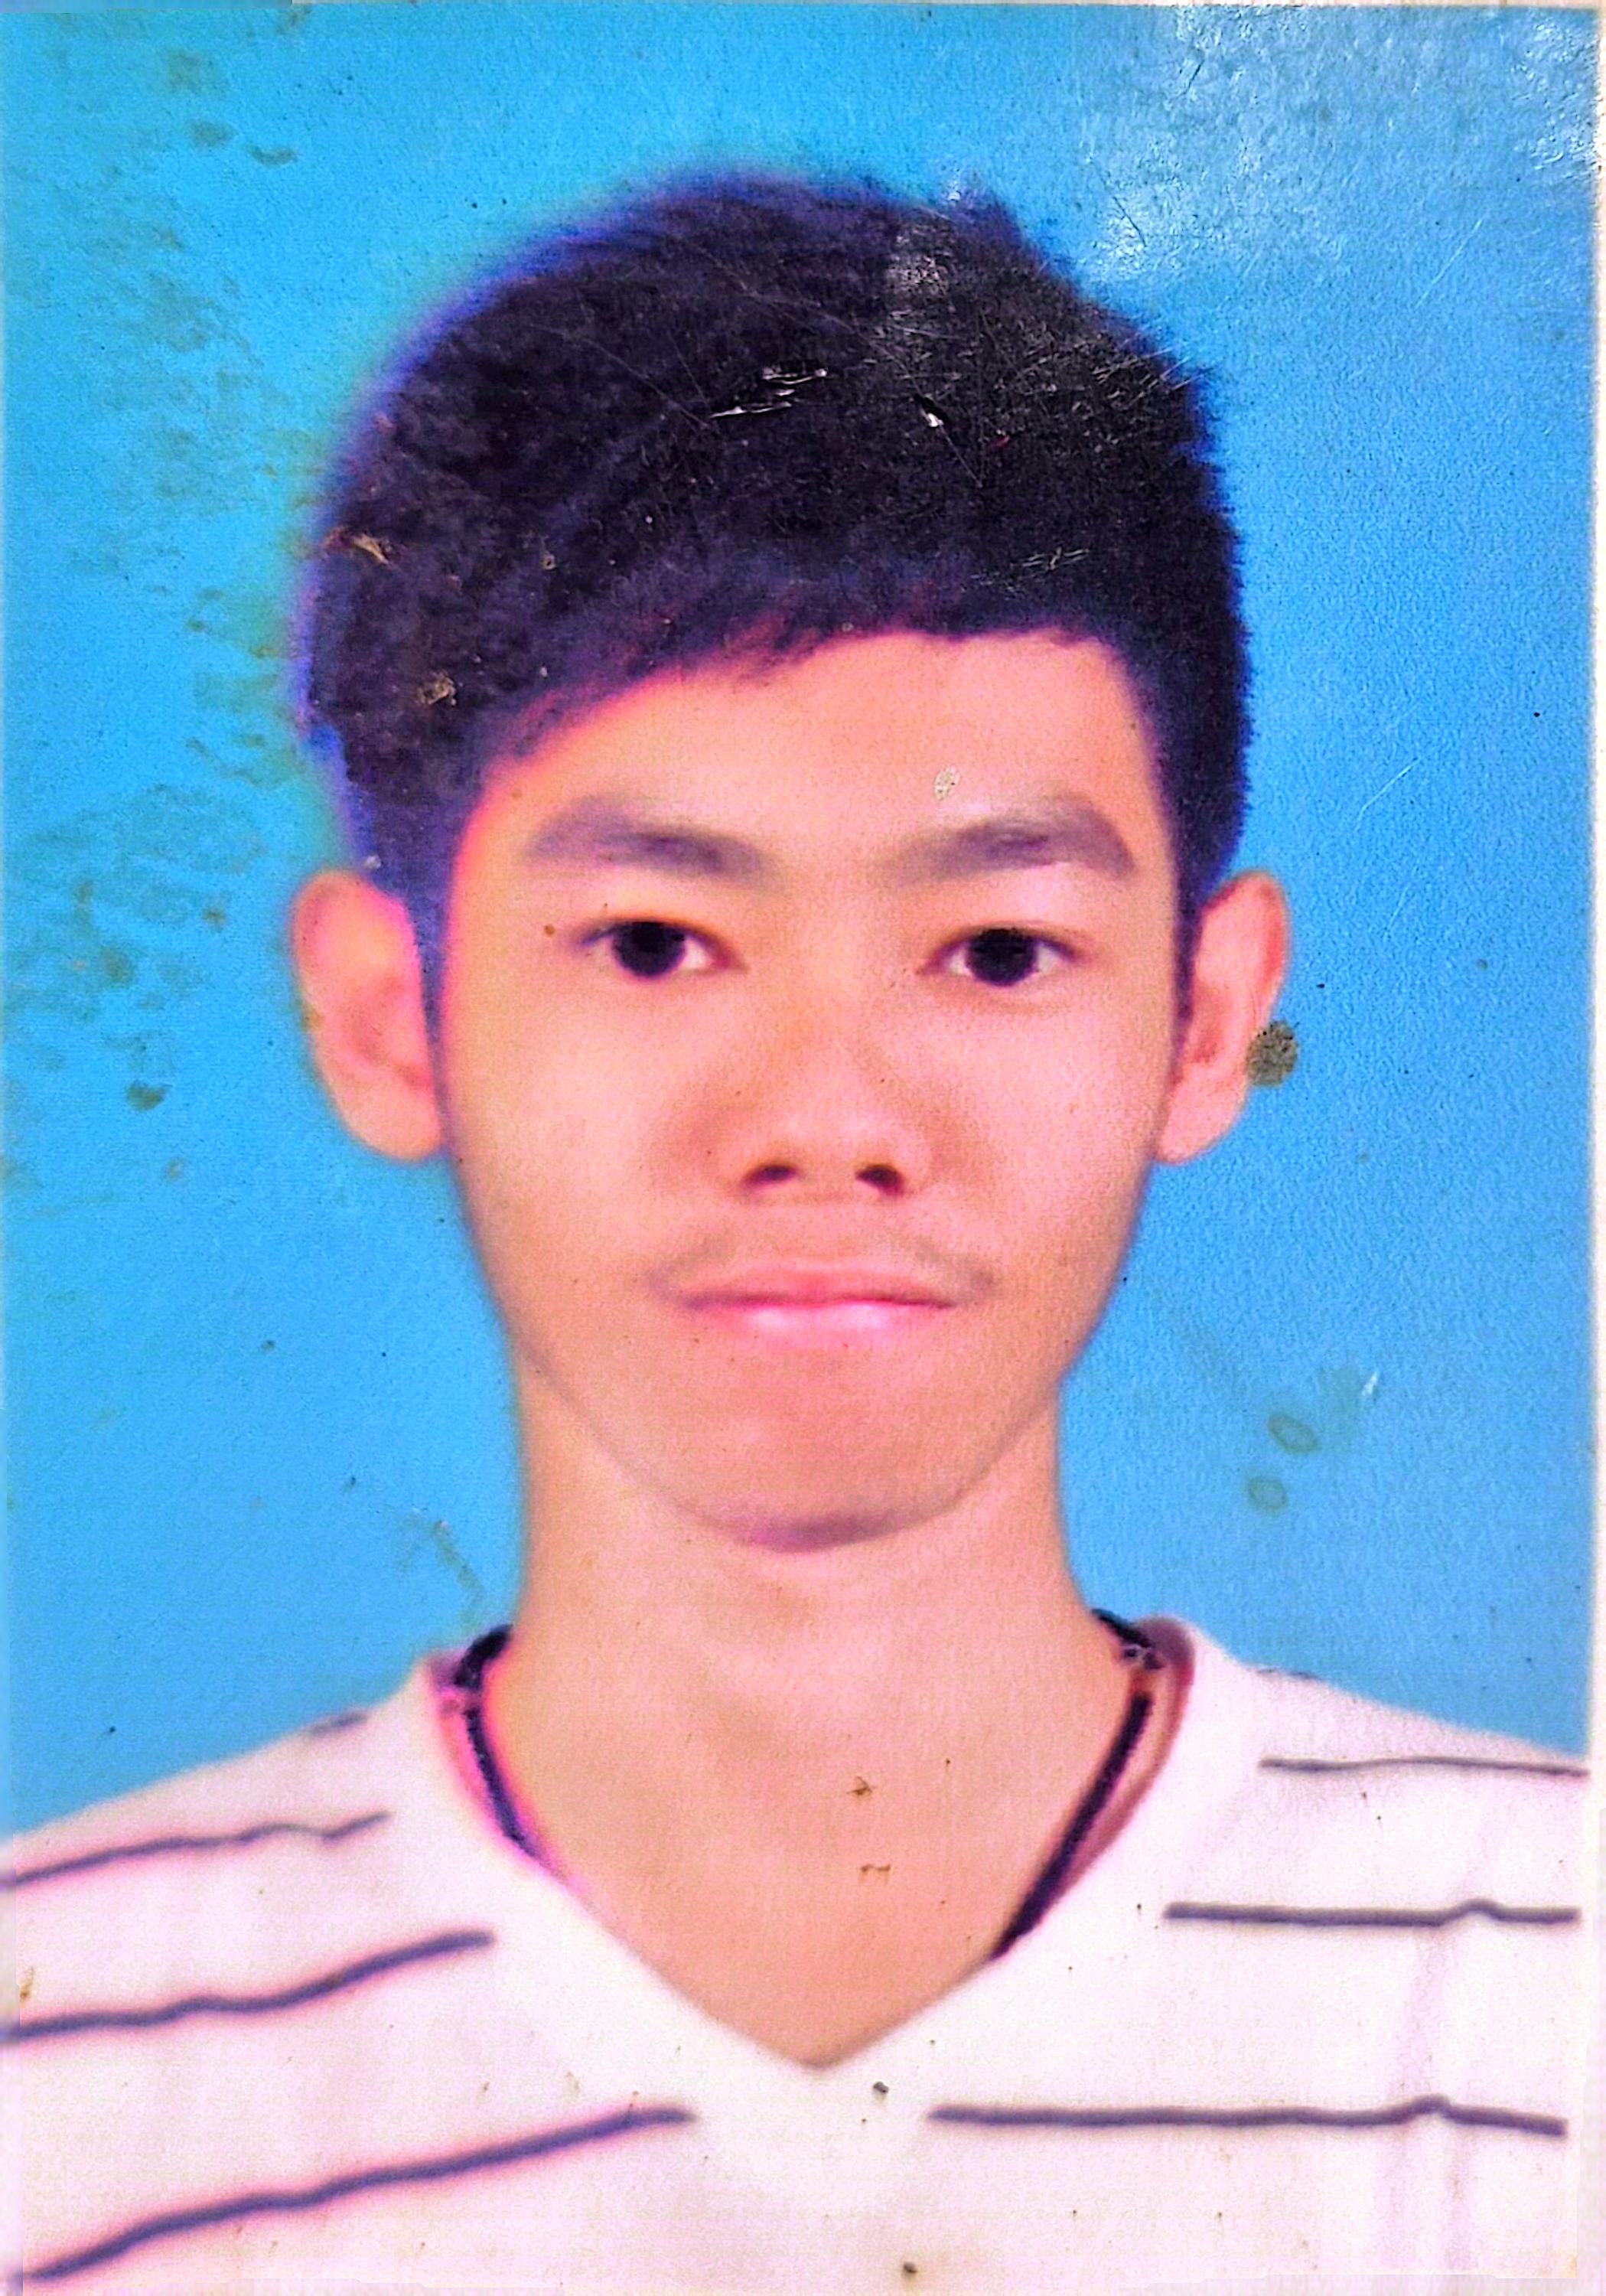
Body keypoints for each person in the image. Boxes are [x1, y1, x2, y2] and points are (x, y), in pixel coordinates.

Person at [5, 174, 1590, 2291]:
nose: (829, 1125)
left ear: (1206, 1018)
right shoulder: (59, 2076)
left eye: (997, 950)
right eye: (655, 943)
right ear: (389, 1018)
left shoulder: (1535, 2007)